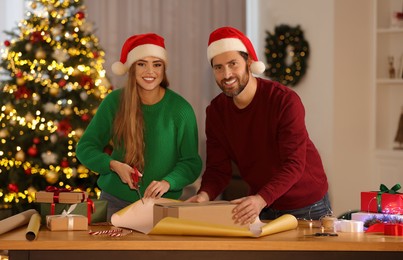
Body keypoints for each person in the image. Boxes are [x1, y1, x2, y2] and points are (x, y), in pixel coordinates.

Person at [186, 26, 331, 224]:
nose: (226, 74)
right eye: (218, 67)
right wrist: (204, 196)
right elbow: (218, 169)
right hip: (260, 204)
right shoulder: (216, 112)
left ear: (249, 63)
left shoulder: (284, 101)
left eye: (233, 64)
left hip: (306, 205)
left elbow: (294, 164)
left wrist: (260, 199)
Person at [76, 33, 202, 221]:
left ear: (164, 69)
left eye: (157, 64)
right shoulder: (114, 102)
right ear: (131, 68)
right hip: (114, 204)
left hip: (164, 206)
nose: (150, 71)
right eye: (141, 64)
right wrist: (114, 165)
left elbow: (191, 162)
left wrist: (168, 182)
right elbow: (85, 148)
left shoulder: (181, 110)